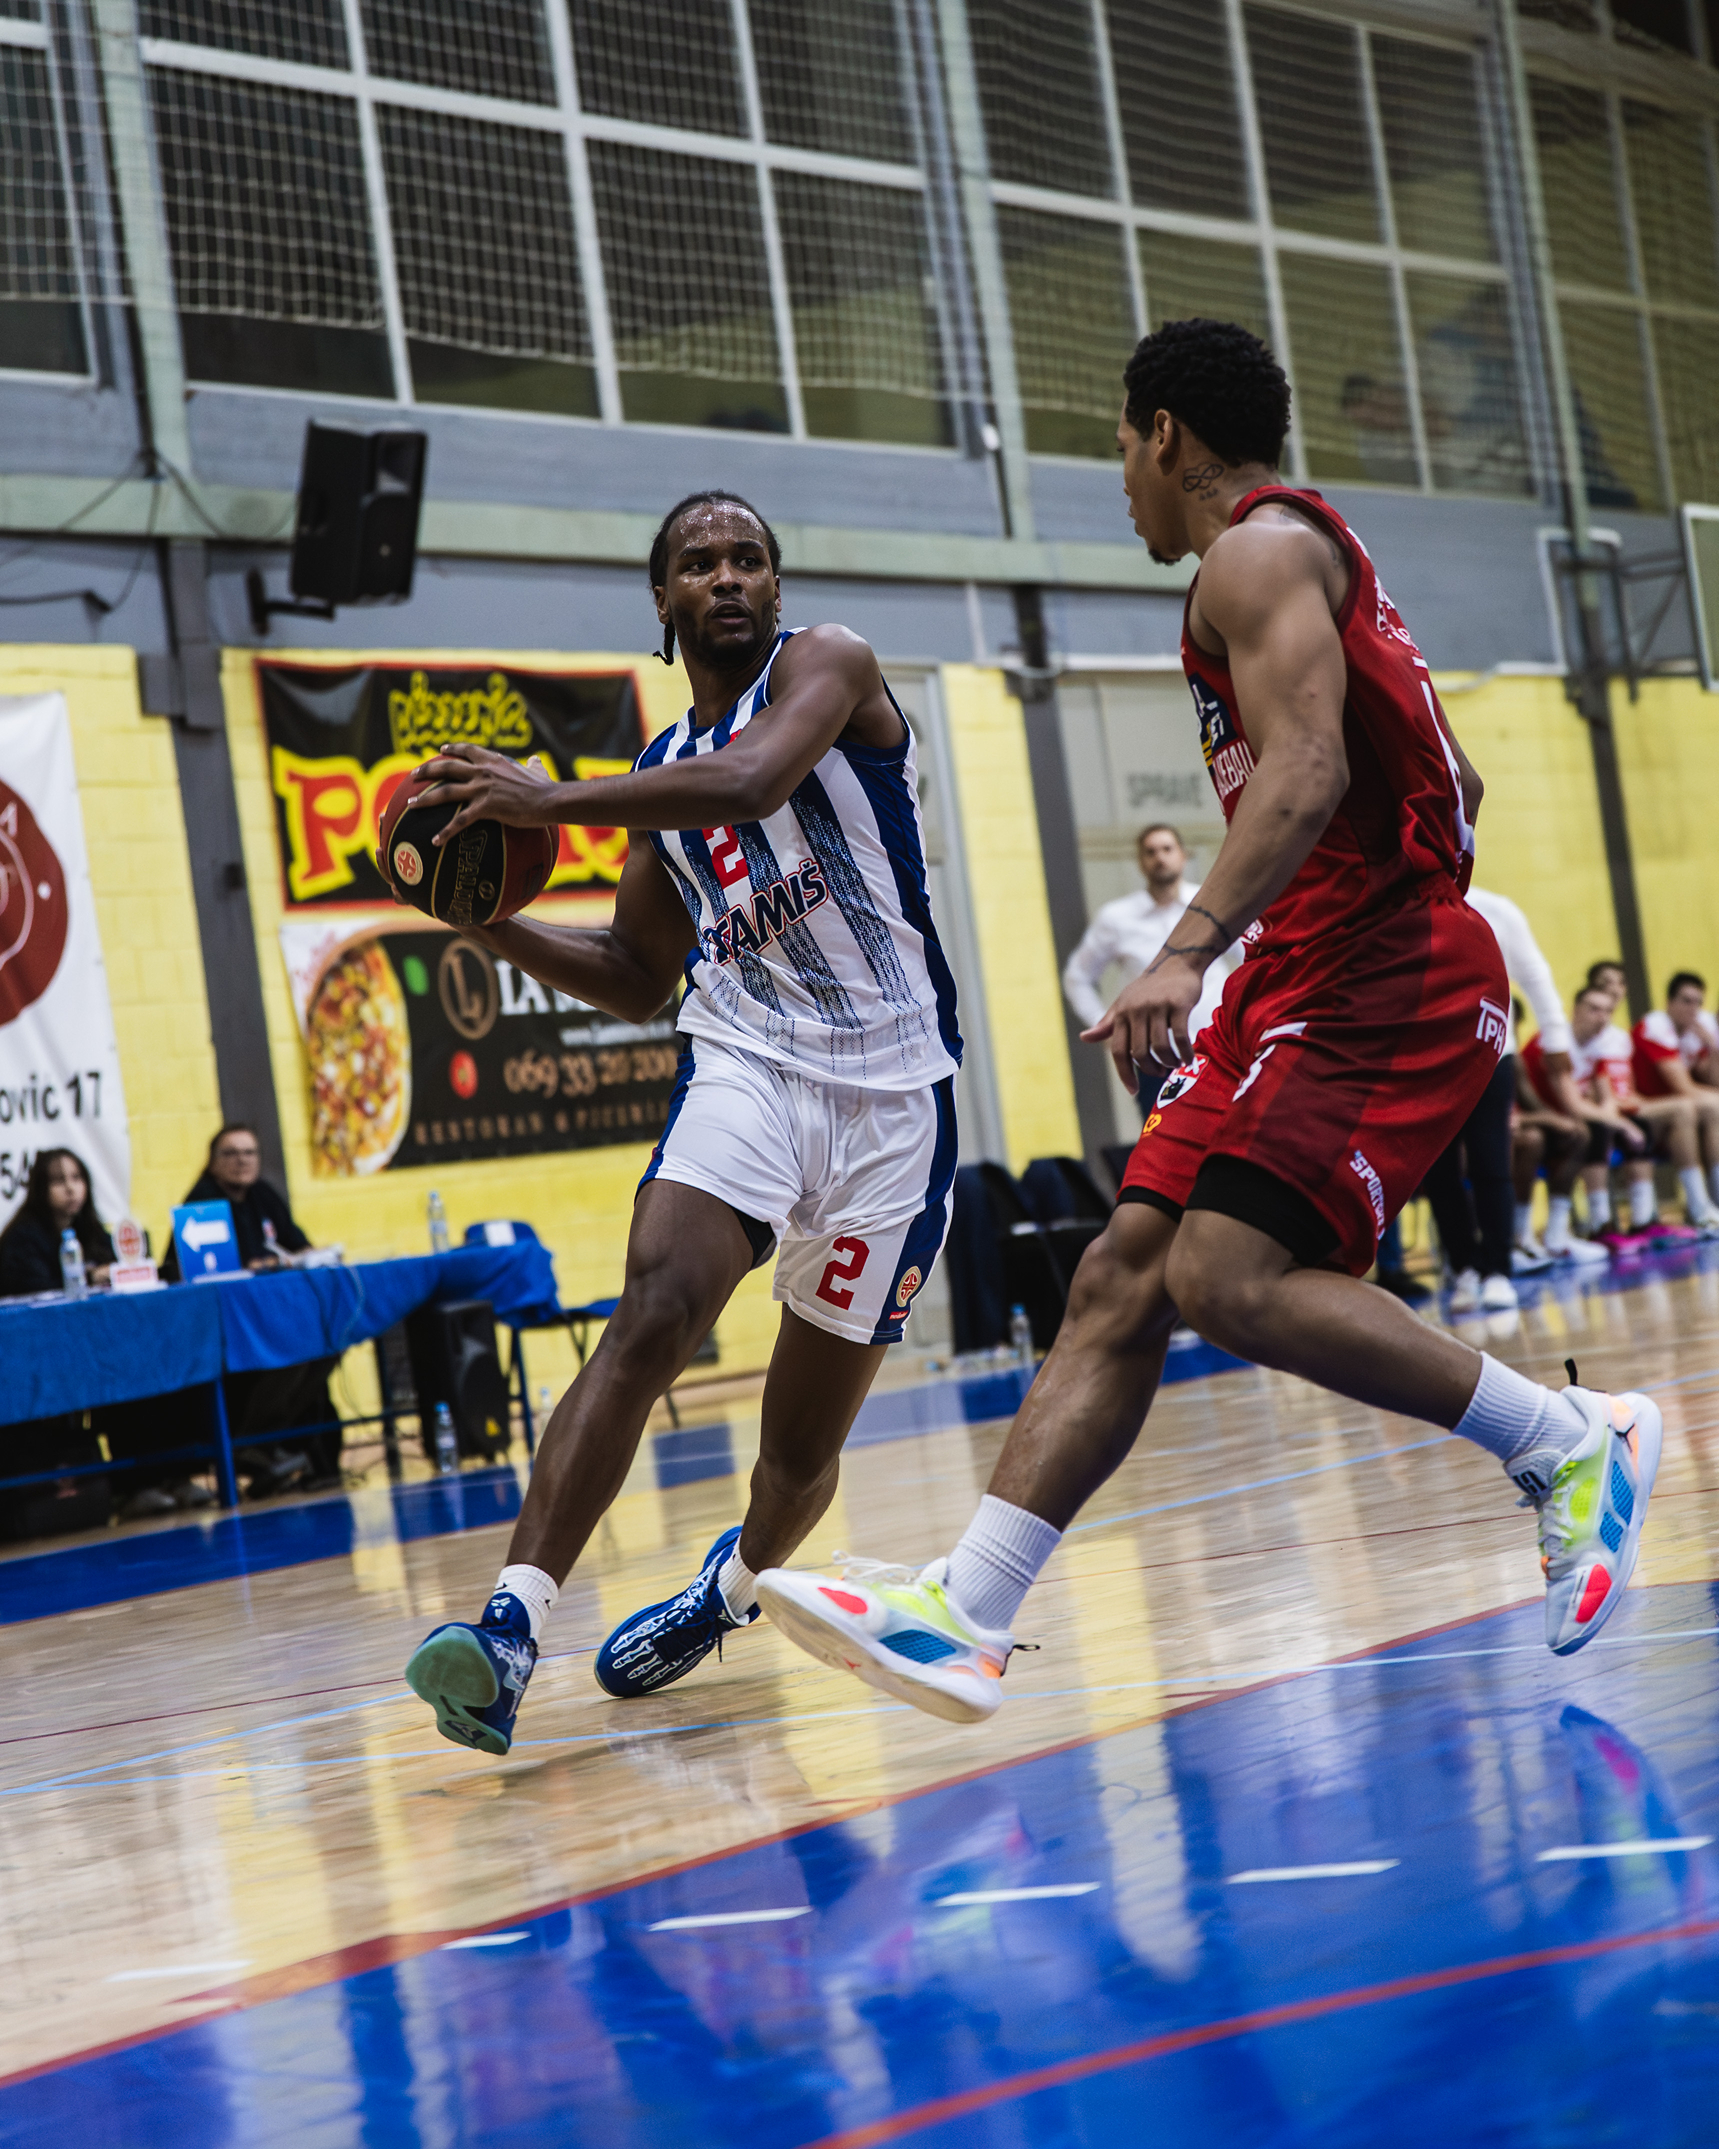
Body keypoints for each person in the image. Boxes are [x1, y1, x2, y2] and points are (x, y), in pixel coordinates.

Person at [755, 318, 1661, 1722]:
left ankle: (1565, 1440)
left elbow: (1305, 774)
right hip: (1306, 964)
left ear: (1164, 434)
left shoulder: (1252, 552)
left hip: (1378, 968)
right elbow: (1458, 780)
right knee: (1121, 1269)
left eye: (1119, 446)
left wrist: (1187, 953)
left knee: (1224, 1278)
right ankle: (966, 1611)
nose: (1120, 477)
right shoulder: (1304, 561)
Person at [392, 489, 961, 1756]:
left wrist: (543, 803)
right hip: (751, 1062)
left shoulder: (829, 666)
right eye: (700, 562)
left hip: (893, 1099)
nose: (728, 576)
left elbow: (755, 779)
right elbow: (639, 974)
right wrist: (486, 920)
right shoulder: (657, 775)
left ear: (776, 584)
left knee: (796, 1457)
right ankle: (508, 1629)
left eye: (749, 557)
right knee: (654, 1308)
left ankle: (732, 1588)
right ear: (663, 597)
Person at [1420, 885, 1572, 1312]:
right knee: (1439, 1171)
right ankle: (1464, 1267)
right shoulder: (1403, 904)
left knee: (1491, 1163)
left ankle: (1498, 1270)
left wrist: (1556, 1037)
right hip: (1427, 1060)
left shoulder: (1495, 909)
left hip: (1491, 1054)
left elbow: (1535, 974)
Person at [164, 1124, 338, 1493]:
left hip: (268, 1317)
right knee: (291, 1349)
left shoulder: (263, 1195)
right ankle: (251, 1444)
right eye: (230, 1153)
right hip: (222, 1326)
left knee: (328, 1344)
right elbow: (198, 1270)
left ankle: (270, 1444)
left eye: (249, 1153)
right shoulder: (201, 1203)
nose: (241, 1161)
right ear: (213, 1163)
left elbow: (298, 1246)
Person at [1061, 824, 1239, 1113]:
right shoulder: (1117, 918)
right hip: (1156, 1059)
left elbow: (1251, 956)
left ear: (1183, 855)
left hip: (1219, 1046)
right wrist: (1104, 1025)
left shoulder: (1212, 906)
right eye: (1150, 852)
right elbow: (1077, 977)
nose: (1160, 858)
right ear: (1140, 861)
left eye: (1167, 849)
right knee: (1163, 1136)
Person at [1509, 1001, 1603, 1268]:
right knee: (1531, 1140)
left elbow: (1533, 1106)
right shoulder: (1473, 1058)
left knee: (1578, 1134)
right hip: (1481, 1142)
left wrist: (1558, 1120)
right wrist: (1549, 1119)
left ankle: (1556, 1235)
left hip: (1514, 1133)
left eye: (1512, 1024)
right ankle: (1516, 1237)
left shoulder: (1513, 1061)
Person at [1631, 972, 1719, 1214]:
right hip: (1641, 1109)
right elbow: (1685, 1089)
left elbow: (1713, 1081)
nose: (1693, 1009)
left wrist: (1713, 1048)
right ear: (1669, 1002)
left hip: (1674, 1110)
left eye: (1698, 1002)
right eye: (1686, 1001)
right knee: (1699, 1108)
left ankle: (1714, 1201)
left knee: (1708, 1111)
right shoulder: (1655, 1027)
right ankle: (1700, 1207)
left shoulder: (1696, 1031)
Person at [0, 1148, 114, 1297]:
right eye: (59, 1181)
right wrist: (90, 1278)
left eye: (76, 1178)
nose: (70, 1188)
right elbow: (34, 1289)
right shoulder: (22, 1237)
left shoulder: (88, 1227)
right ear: (41, 1188)